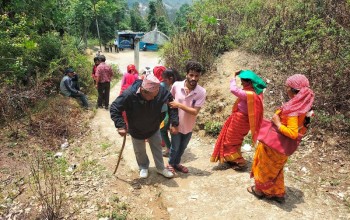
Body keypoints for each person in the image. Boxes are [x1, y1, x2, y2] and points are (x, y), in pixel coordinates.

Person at [247, 74, 314, 203]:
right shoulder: (306, 108)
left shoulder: (293, 110)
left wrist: (278, 123)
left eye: (287, 87)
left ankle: (259, 190)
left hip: (275, 145)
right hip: (285, 147)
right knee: (276, 170)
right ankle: (276, 193)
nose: (286, 89)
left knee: (264, 168)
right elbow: (302, 129)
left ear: (292, 90)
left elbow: (293, 133)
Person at [110, 74, 179, 179]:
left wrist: (174, 123)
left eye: (156, 95)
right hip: (136, 128)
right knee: (140, 151)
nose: (155, 97)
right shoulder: (129, 94)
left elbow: (172, 105)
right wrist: (120, 125)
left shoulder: (160, 91)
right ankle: (143, 167)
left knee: (157, 148)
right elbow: (115, 108)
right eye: (152, 96)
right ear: (143, 91)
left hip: (154, 127)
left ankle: (160, 168)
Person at [210, 70, 266, 170]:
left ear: (249, 82)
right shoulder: (257, 93)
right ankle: (231, 159)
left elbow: (233, 89)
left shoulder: (249, 94)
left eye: (243, 81)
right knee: (236, 140)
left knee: (229, 140)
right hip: (244, 120)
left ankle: (239, 160)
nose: (241, 83)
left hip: (240, 120)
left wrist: (233, 77)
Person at [168, 61, 206, 173]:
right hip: (176, 124)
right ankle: (170, 164)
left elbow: (195, 112)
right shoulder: (176, 85)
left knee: (182, 148)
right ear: (186, 74)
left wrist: (179, 104)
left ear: (199, 76)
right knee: (174, 147)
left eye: (196, 76)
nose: (193, 78)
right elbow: (171, 104)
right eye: (191, 75)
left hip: (189, 126)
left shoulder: (201, 92)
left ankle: (176, 163)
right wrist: (172, 123)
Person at [160, 68, 182, 157]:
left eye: (165, 80)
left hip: (173, 113)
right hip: (174, 112)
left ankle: (170, 150)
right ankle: (172, 149)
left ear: (171, 78)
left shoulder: (174, 86)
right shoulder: (179, 84)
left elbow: (173, 102)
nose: (164, 82)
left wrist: (167, 102)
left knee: (163, 129)